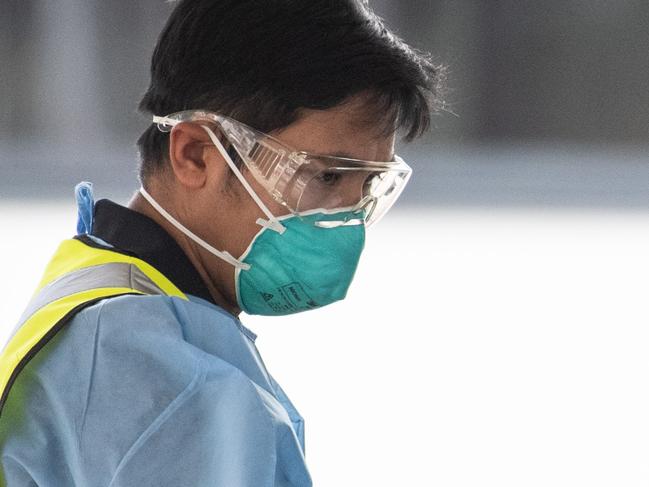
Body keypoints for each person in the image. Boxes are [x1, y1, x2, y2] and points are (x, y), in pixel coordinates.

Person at [0, 0, 443, 485]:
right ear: (195, 154)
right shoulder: (157, 372)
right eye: (327, 176)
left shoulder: (105, 293)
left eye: (368, 189)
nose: (346, 222)